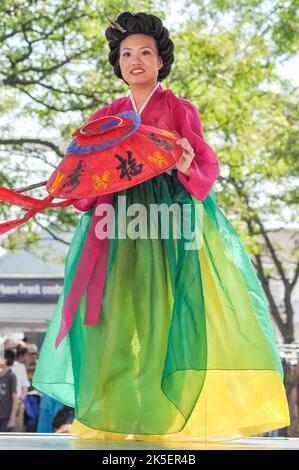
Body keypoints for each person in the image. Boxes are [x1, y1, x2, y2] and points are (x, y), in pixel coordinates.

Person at [33, 11, 289, 441]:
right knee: (111, 322)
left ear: (160, 61)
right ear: (117, 63)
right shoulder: (108, 114)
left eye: (145, 53)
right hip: (114, 225)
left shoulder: (180, 109)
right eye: (127, 53)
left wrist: (188, 164)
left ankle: (164, 418)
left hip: (169, 222)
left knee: (167, 318)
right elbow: (88, 174)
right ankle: (109, 414)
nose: (135, 60)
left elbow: (205, 166)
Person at [11, 346, 30, 432]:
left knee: (16, 430)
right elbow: (25, 387)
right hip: (8, 404)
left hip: (18, 404)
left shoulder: (21, 367)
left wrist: (20, 401)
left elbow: (25, 387)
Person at [0, 349, 18, 432]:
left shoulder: (11, 376)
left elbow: (15, 399)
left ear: (5, 360)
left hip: (5, 417)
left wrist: (12, 418)